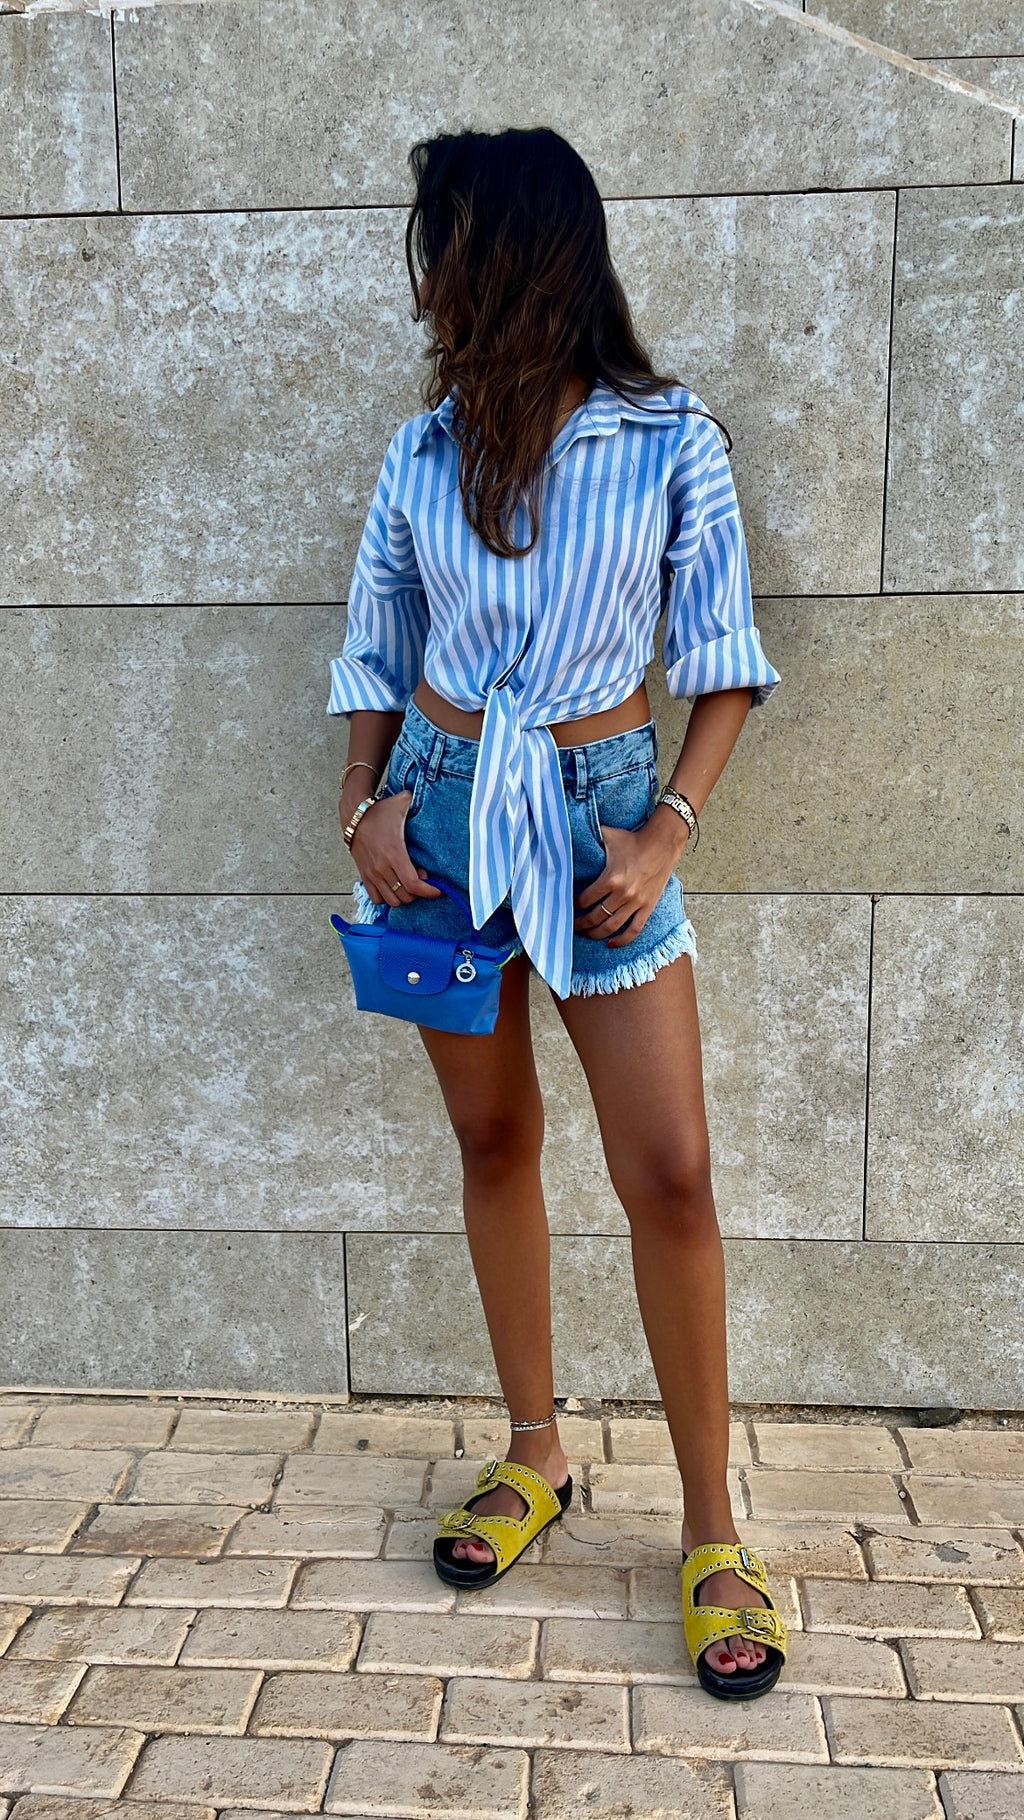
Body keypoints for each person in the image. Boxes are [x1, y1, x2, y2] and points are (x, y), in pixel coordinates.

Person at [329, 126, 787, 1700]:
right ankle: (537, 1448)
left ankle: (717, 1531)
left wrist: (666, 832)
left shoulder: (670, 440)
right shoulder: (419, 451)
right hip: (445, 817)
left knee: (670, 1170)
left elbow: (724, 664)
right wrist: (364, 809)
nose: (428, 280)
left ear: (516, 257)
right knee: (494, 1142)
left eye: (444, 247)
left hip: (602, 822)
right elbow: (374, 658)